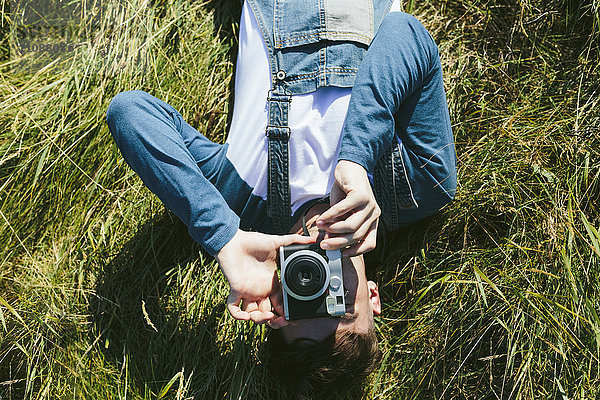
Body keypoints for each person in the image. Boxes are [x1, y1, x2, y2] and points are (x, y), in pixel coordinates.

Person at [105, 0, 456, 396]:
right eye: (338, 298)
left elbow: (130, 112)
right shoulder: (420, 188)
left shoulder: (238, 202)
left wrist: (224, 239)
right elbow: (405, 33)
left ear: (275, 307)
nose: (322, 271)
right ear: (373, 296)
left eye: (305, 295)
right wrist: (356, 161)